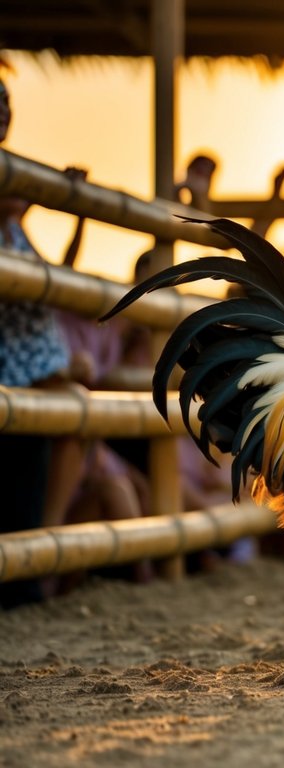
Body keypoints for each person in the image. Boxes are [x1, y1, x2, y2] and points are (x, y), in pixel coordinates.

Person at [0, 73, 73, 607]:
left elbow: (54, 276)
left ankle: (42, 551)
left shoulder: (14, 205)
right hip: (16, 361)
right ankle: (40, 556)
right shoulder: (11, 196)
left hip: (33, 362)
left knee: (66, 422)